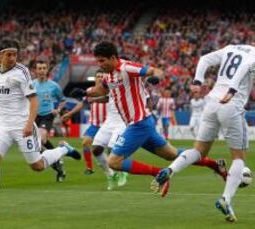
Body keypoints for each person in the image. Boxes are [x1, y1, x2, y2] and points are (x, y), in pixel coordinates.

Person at [153, 30, 255, 222]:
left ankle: (170, 170)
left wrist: (198, 81)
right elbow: (244, 67)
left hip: (211, 102)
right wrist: (232, 90)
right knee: (239, 158)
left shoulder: (231, 47)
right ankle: (225, 199)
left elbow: (204, 59)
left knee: (199, 151)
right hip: (231, 103)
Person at [71, 41, 227, 186]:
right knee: (172, 154)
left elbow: (156, 70)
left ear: (113, 58)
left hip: (138, 123)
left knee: (114, 162)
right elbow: (102, 88)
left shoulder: (127, 68)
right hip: (142, 123)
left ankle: (158, 173)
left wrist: (154, 78)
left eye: (102, 61)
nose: (99, 64)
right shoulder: (109, 75)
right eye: (98, 61)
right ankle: (214, 164)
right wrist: (87, 91)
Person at [0, 39, 81, 213]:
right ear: (0, 55)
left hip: (22, 126)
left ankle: (64, 149)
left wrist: (29, 124)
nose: (12, 58)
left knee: (37, 166)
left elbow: (33, 101)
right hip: (2, 127)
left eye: (14, 54)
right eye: (8, 54)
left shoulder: (21, 72)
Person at [62, 70, 107, 175]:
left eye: (102, 76)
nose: (100, 78)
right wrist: (70, 114)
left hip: (107, 126)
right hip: (95, 125)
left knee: (111, 150)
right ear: (95, 78)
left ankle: (115, 169)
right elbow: (82, 104)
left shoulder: (108, 90)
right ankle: (90, 168)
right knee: (85, 143)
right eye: (98, 76)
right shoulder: (90, 91)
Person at [33, 60, 67, 182]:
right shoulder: (31, 85)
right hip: (33, 116)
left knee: (41, 139)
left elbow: (63, 100)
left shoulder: (54, 86)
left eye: (44, 68)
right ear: (35, 70)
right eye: (39, 68)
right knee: (39, 144)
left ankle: (57, 161)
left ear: (47, 70)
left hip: (47, 115)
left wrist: (58, 109)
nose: (42, 70)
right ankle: (58, 165)